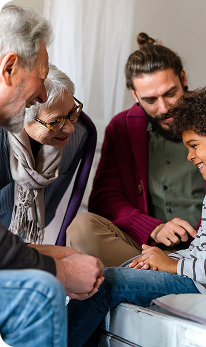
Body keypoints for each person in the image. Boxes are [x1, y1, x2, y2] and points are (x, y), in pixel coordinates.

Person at [67, 79, 206, 347]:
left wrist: (174, 265)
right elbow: (203, 249)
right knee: (104, 275)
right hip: (197, 279)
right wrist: (153, 260)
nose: (189, 156)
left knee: (106, 283)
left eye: (194, 146)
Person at [66, 32, 206, 267]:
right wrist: (153, 228)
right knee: (81, 228)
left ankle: (167, 276)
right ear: (135, 95)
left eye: (170, 94)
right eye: (150, 100)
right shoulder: (122, 127)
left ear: (183, 78)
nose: (164, 108)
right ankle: (167, 276)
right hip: (145, 249)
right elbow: (104, 199)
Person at [0, 4, 104, 347]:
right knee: (42, 292)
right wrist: (56, 270)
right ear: (9, 69)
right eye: (41, 80)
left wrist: (49, 255)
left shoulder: (71, 145)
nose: (42, 95)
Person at [0, 62, 87, 244]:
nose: (70, 128)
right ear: (20, 116)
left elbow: (51, 204)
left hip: (32, 239)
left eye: (72, 113)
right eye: (55, 121)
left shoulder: (80, 135)